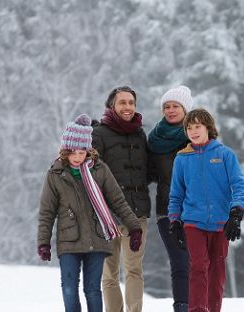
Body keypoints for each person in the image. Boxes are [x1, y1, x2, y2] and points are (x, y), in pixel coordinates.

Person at [37, 114, 143, 312]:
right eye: (73, 152)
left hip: (97, 238)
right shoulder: (55, 174)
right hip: (69, 241)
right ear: (65, 151)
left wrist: (134, 227)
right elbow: (46, 212)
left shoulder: (100, 170)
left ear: (89, 150)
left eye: (83, 152)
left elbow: (118, 201)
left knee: (92, 289)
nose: (78, 157)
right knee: (69, 288)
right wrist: (43, 242)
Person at [168, 108, 244, 312]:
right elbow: (176, 194)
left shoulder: (224, 155)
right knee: (198, 266)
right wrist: (175, 221)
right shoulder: (182, 158)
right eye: (189, 127)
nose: (193, 131)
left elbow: (239, 185)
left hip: (221, 223)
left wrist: (236, 213)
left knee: (217, 271)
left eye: (197, 126)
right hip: (192, 222)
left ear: (208, 128)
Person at [92, 86, 151, 312]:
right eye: (122, 103)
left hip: (136, 213)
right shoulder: (99, 134)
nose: (127, 107)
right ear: (112, 106)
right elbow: (92, 172)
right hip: (106, 215)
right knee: (110, 273)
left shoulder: (140, 134)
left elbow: (147, 169)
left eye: (131, 103)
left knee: (134, 269)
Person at [147, 86, 193, 312]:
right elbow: (145, 174)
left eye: (175, 106)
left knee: (200, 263)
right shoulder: (155, 140)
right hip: (168, 210)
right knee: (180, 263)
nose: (171, 110)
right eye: (166, 106)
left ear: (186, 109)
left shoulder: (197, 136)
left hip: (197, 210)